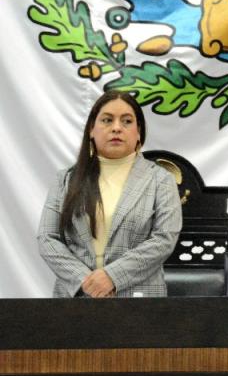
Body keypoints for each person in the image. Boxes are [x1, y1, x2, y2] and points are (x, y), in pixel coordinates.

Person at [37, 91, 182, 298]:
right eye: (107, 120)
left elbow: (164, 238)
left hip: (141, 300)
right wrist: (87, 282)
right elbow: (47, 238)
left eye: (127, 121)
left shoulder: (161, 180)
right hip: (77, 298)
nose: (116, 128)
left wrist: (112, 277)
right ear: (91, 130)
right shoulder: (65, 180)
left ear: (139, 132)